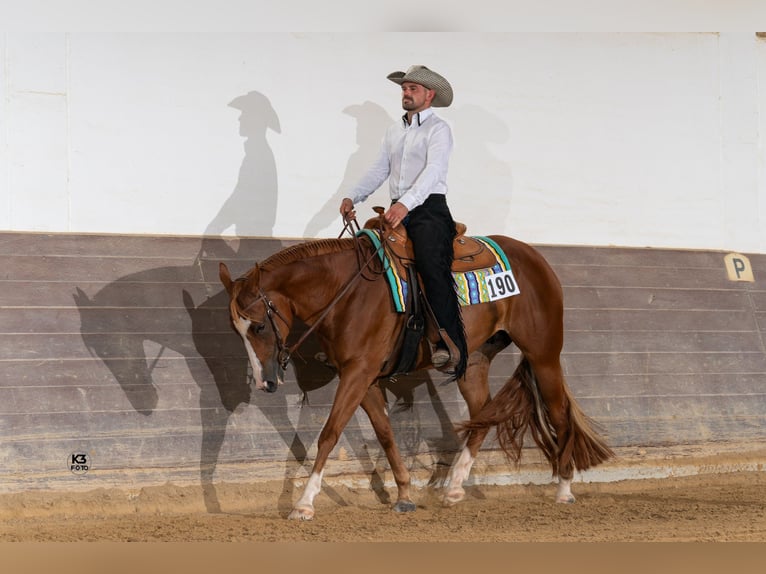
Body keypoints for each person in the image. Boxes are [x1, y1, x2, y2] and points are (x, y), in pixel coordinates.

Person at [339, 65, 467, 379]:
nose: (406, 93)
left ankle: (447, 341)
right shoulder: (395, 131)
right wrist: (352, 196)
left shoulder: (439, 130)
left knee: (429, 262)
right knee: (360, 254)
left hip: (428, 209)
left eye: (413, 89)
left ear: (429, 95)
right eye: (404, 88)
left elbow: (433, 171)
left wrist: (406, 205)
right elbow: (379, 169)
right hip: (399, 208)